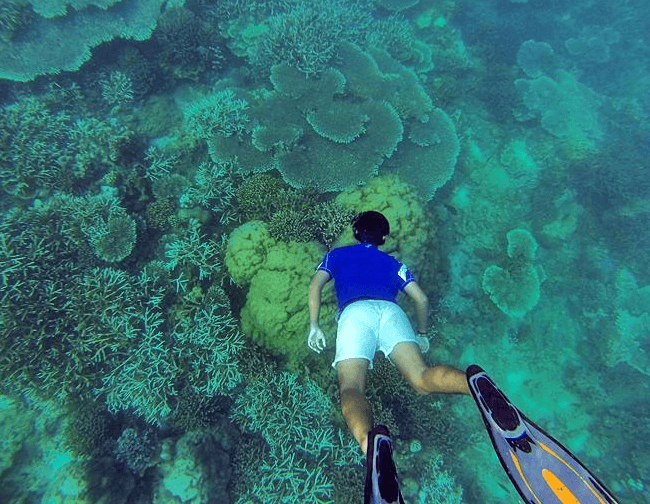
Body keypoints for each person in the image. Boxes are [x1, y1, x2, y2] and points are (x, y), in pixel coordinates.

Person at [307, 210, 470, 455]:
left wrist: (314, 324)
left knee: (351, 388)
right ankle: (473, 386)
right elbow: (422, 299)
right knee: (421, 378)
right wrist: (422, 334)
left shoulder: (336, 255)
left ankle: (367, 443)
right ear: (383, 238)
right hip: (392, 313)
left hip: (355, 313)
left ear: (355, 233)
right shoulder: (395, 264)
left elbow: (315, 285)